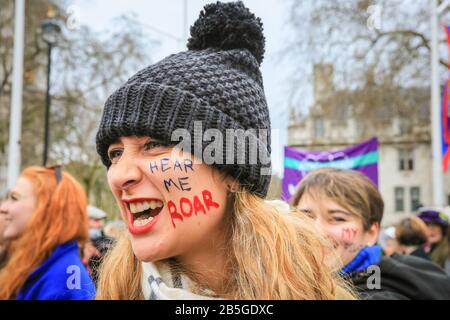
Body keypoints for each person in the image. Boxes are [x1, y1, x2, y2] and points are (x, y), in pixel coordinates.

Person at [94, 1, 354, 300]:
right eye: (115, 154)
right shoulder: (115, 291)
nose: (119, 176)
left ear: (232, 171)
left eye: (154, 145)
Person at [292, 167, 450, 300]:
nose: (316, 231)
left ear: (370, 233)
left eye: (338, 218)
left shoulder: (382, 289)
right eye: (305, 216)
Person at [0, 166, 96, 300]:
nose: (3, 207)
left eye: (14, 198)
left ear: (48, 209)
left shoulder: (64, 278)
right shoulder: (38, 260)